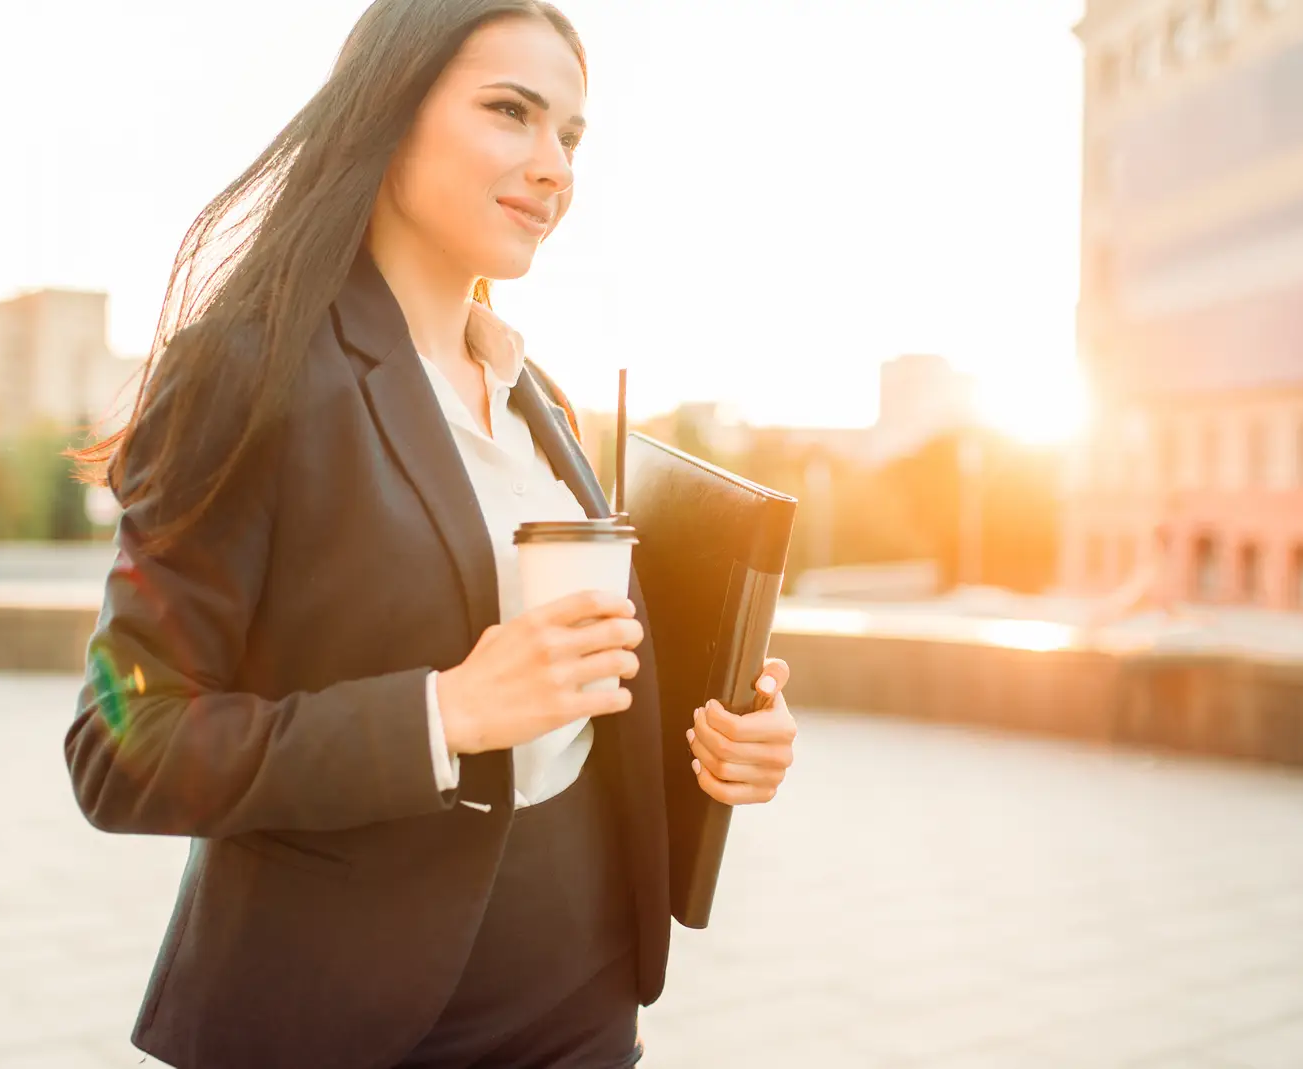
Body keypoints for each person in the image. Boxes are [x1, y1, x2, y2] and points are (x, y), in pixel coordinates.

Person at [62, 3, 798, 1066]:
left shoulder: (537, 394)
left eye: (572, 136)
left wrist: (728, 727)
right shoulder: (241, 373)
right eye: (512, 112)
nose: (553, 168)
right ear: (389, 109)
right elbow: (120, 749)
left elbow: (574, 670)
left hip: (582, 990)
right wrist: (442, 712)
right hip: (345, 1017)